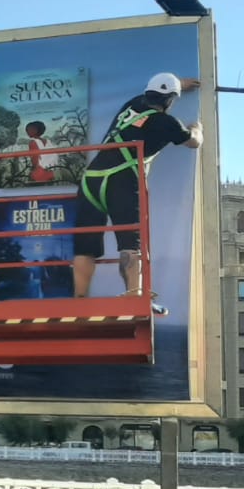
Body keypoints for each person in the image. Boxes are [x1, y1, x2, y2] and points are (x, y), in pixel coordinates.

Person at [72, 73, 203, 314]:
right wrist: (197, 129)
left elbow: (159, 92)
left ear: (147, 93)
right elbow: (192, 142)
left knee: (85, 246)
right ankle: (135, 299)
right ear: (171, 100)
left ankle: (79, 301)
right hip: (121, 177)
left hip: (91, 178)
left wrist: (178, 85)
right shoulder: (167, 123)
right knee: (131, 244)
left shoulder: (131, 106)